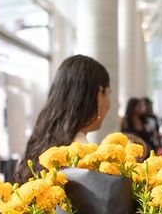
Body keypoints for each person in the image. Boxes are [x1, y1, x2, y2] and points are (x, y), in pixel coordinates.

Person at [15, 55, 111, 183]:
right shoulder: (85, 160)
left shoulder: (42, 143)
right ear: (99, 95)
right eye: (108, 94)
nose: (109, 103)